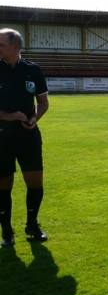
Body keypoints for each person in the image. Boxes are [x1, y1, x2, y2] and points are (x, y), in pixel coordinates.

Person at [0, 29, 49, 246]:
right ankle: (6, 230)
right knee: (4, 184)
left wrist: (34, 119)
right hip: (2, 137)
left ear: (15, 47)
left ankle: (32, 224)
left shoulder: (33, 70)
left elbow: (43, 103)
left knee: (35, 181)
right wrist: (8, 116)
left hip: (28, 136)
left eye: (1, 45)